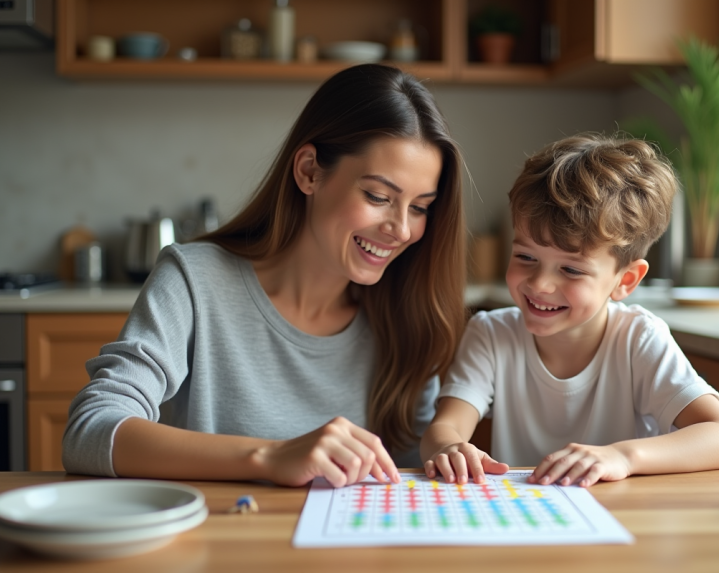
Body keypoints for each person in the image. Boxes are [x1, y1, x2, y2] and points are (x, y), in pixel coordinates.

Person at [63, 64, 468, 488]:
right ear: (309, 171)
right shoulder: (193, 281)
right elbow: (90, 430)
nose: (402, 229)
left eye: (420, 207)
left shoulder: (407, 314)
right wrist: (269, 456)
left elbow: (411, 471)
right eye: (378, 196)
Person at [420, 133, 719, 487]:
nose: (540, 284)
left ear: (625, 280)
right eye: (525, 257)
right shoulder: (491, 334)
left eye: (571, 269)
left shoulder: (638, 338)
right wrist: (450, 447)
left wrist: (622, 456)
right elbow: (444, 427)